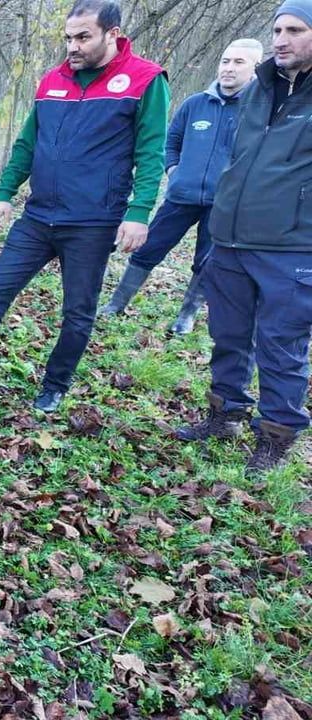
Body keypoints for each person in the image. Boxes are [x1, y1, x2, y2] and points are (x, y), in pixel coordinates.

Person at [0, 0, 170, 413]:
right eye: (68, 38)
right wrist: (5, 192)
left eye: (83, 37)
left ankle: (55, 385)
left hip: (93, 221)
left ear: (113, 34)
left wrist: (139, 213)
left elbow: (151, 152)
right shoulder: (53, 80)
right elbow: (28, 142)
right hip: (38, 215)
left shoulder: (145, 80)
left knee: (78, 311)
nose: (73, 46)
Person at [174, 1, 312, 474]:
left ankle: (276, 436)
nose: (281, 40)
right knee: (228, 334)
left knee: (281, 346)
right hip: (231, 238)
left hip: (292, 246)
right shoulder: (259, 88)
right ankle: (225, 414)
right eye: (278, 30)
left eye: (295, 30)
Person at [99, 38, 263, 333]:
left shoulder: (259, 110)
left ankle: (186, 315)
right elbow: (170, 141)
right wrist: (174, 170)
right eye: (225, 61)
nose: (228, 68)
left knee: (206, 261)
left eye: (239, 62)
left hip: (224, 204)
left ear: (255, 68)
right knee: (148, 249)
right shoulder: (194, 104)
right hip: (181, 196)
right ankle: (116, 304)